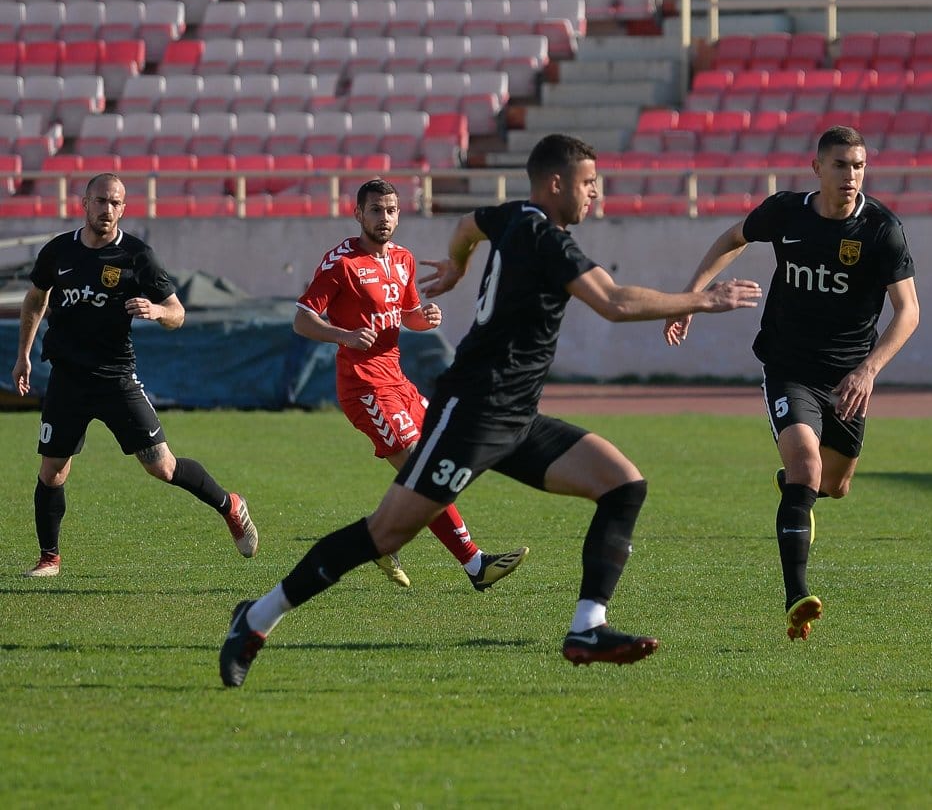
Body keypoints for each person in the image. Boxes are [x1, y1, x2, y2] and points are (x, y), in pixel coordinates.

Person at [219, 133, 762, 687]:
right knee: (385, 535)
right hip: (471, 416)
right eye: (588, 183)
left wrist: (455, 268)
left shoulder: (510, 216)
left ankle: (587, 627)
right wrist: (704, 298)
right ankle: (256, 618)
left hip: (517, 417)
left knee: (624, 484)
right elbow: (614, 303)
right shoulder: (546, 239)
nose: (595, 194)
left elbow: (466, 226)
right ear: (556, 183)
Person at [664, 125, 920, 642]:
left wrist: (868, 369)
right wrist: (691, 298)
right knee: (806, 467)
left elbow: (909, 311)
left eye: (859, 165)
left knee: (834, 485)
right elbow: (731, 238)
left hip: (849, 376)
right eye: (842, 165)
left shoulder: (881, 229)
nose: (852, 176)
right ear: (817, 168)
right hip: (789, 367)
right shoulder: (785, 211)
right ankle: (796, 597)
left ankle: (795, 490)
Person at [10, 173, 257, 578]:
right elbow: (36, 298)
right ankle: (49, 558)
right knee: (52, 470)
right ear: (84, 203)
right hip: (67, 379)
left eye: (116, 203)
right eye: (100, 201)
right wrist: (23, 355)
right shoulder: (57, 252)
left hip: (115, 379)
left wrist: (157, 311)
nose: (107, 210)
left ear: (124, 208)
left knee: (162, 467)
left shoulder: (138, 257)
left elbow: (177, 312)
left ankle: (230, 505)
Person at [294, 176, 528, 591]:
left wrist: (426, 319)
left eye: (390, 211)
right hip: (365, 389)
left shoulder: (403, 259)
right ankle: (475, 565)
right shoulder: (340, 263)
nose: (383, 218)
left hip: (399, 381)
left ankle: (380, 541)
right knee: (425, 473)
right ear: (357, 214)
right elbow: (302, 319)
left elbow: (408, 314)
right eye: (374, 210)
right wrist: (343, 335)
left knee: (436, 466)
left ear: (398, 215)